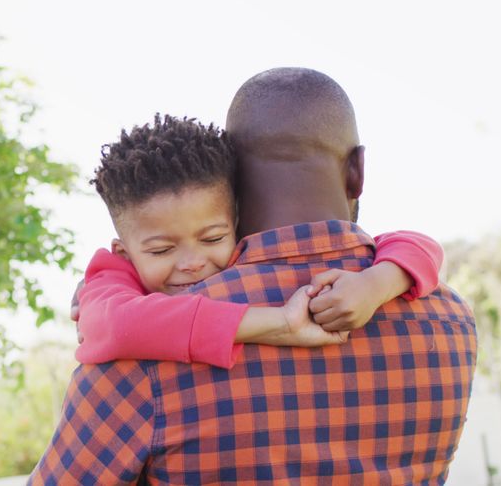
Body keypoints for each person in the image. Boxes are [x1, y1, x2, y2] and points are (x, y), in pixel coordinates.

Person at [29, 68, 477, 484]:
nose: (188, 262)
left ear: (231, 180)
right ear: (357, 170)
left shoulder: (144, 347)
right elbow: (417, 247)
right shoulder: (450, 317)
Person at [73, 115, 443, 368]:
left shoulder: (251, 255)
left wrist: (375, 285)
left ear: (238, 223)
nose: (191, 262)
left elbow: (419, 244)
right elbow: (113, 325)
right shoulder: (112, 278)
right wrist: (278, 323)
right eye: (161, 250)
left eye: (213, 238)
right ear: (125, 253)